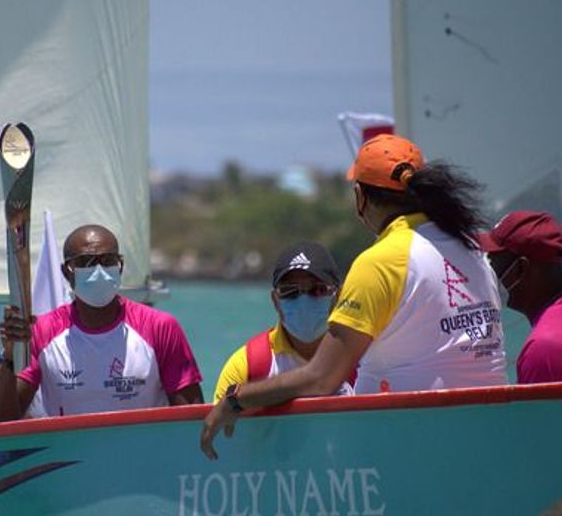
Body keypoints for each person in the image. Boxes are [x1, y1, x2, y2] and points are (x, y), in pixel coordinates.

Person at [201, 133, 507, 459]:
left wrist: (236, 399)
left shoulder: (381, 261)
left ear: (361, 196)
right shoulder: (472, 250)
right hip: (486, 438)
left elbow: (321, 378)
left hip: (413, 448)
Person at [0, 224, 203, 420]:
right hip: (70, 458)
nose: (98, 271)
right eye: (86, 262)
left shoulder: (160, 327)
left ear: (120, 266)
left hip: (142, 456)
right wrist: (9, 357)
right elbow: (0, 420)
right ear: (66, 272)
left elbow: (192, 416)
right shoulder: (41, 331)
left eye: (108, 261)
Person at [212, 242, 352, 402]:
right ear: (275, 301)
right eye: (290, 291)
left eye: (317, 289)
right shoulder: (246, 366)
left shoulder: (362, 358)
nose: (303, 300)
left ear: (338, 295)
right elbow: (217, 424)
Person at [478, 211, 562, 383]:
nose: (489, 273)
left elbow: (542, 411)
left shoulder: (544, 349)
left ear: (520, 269)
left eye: (493, 262)